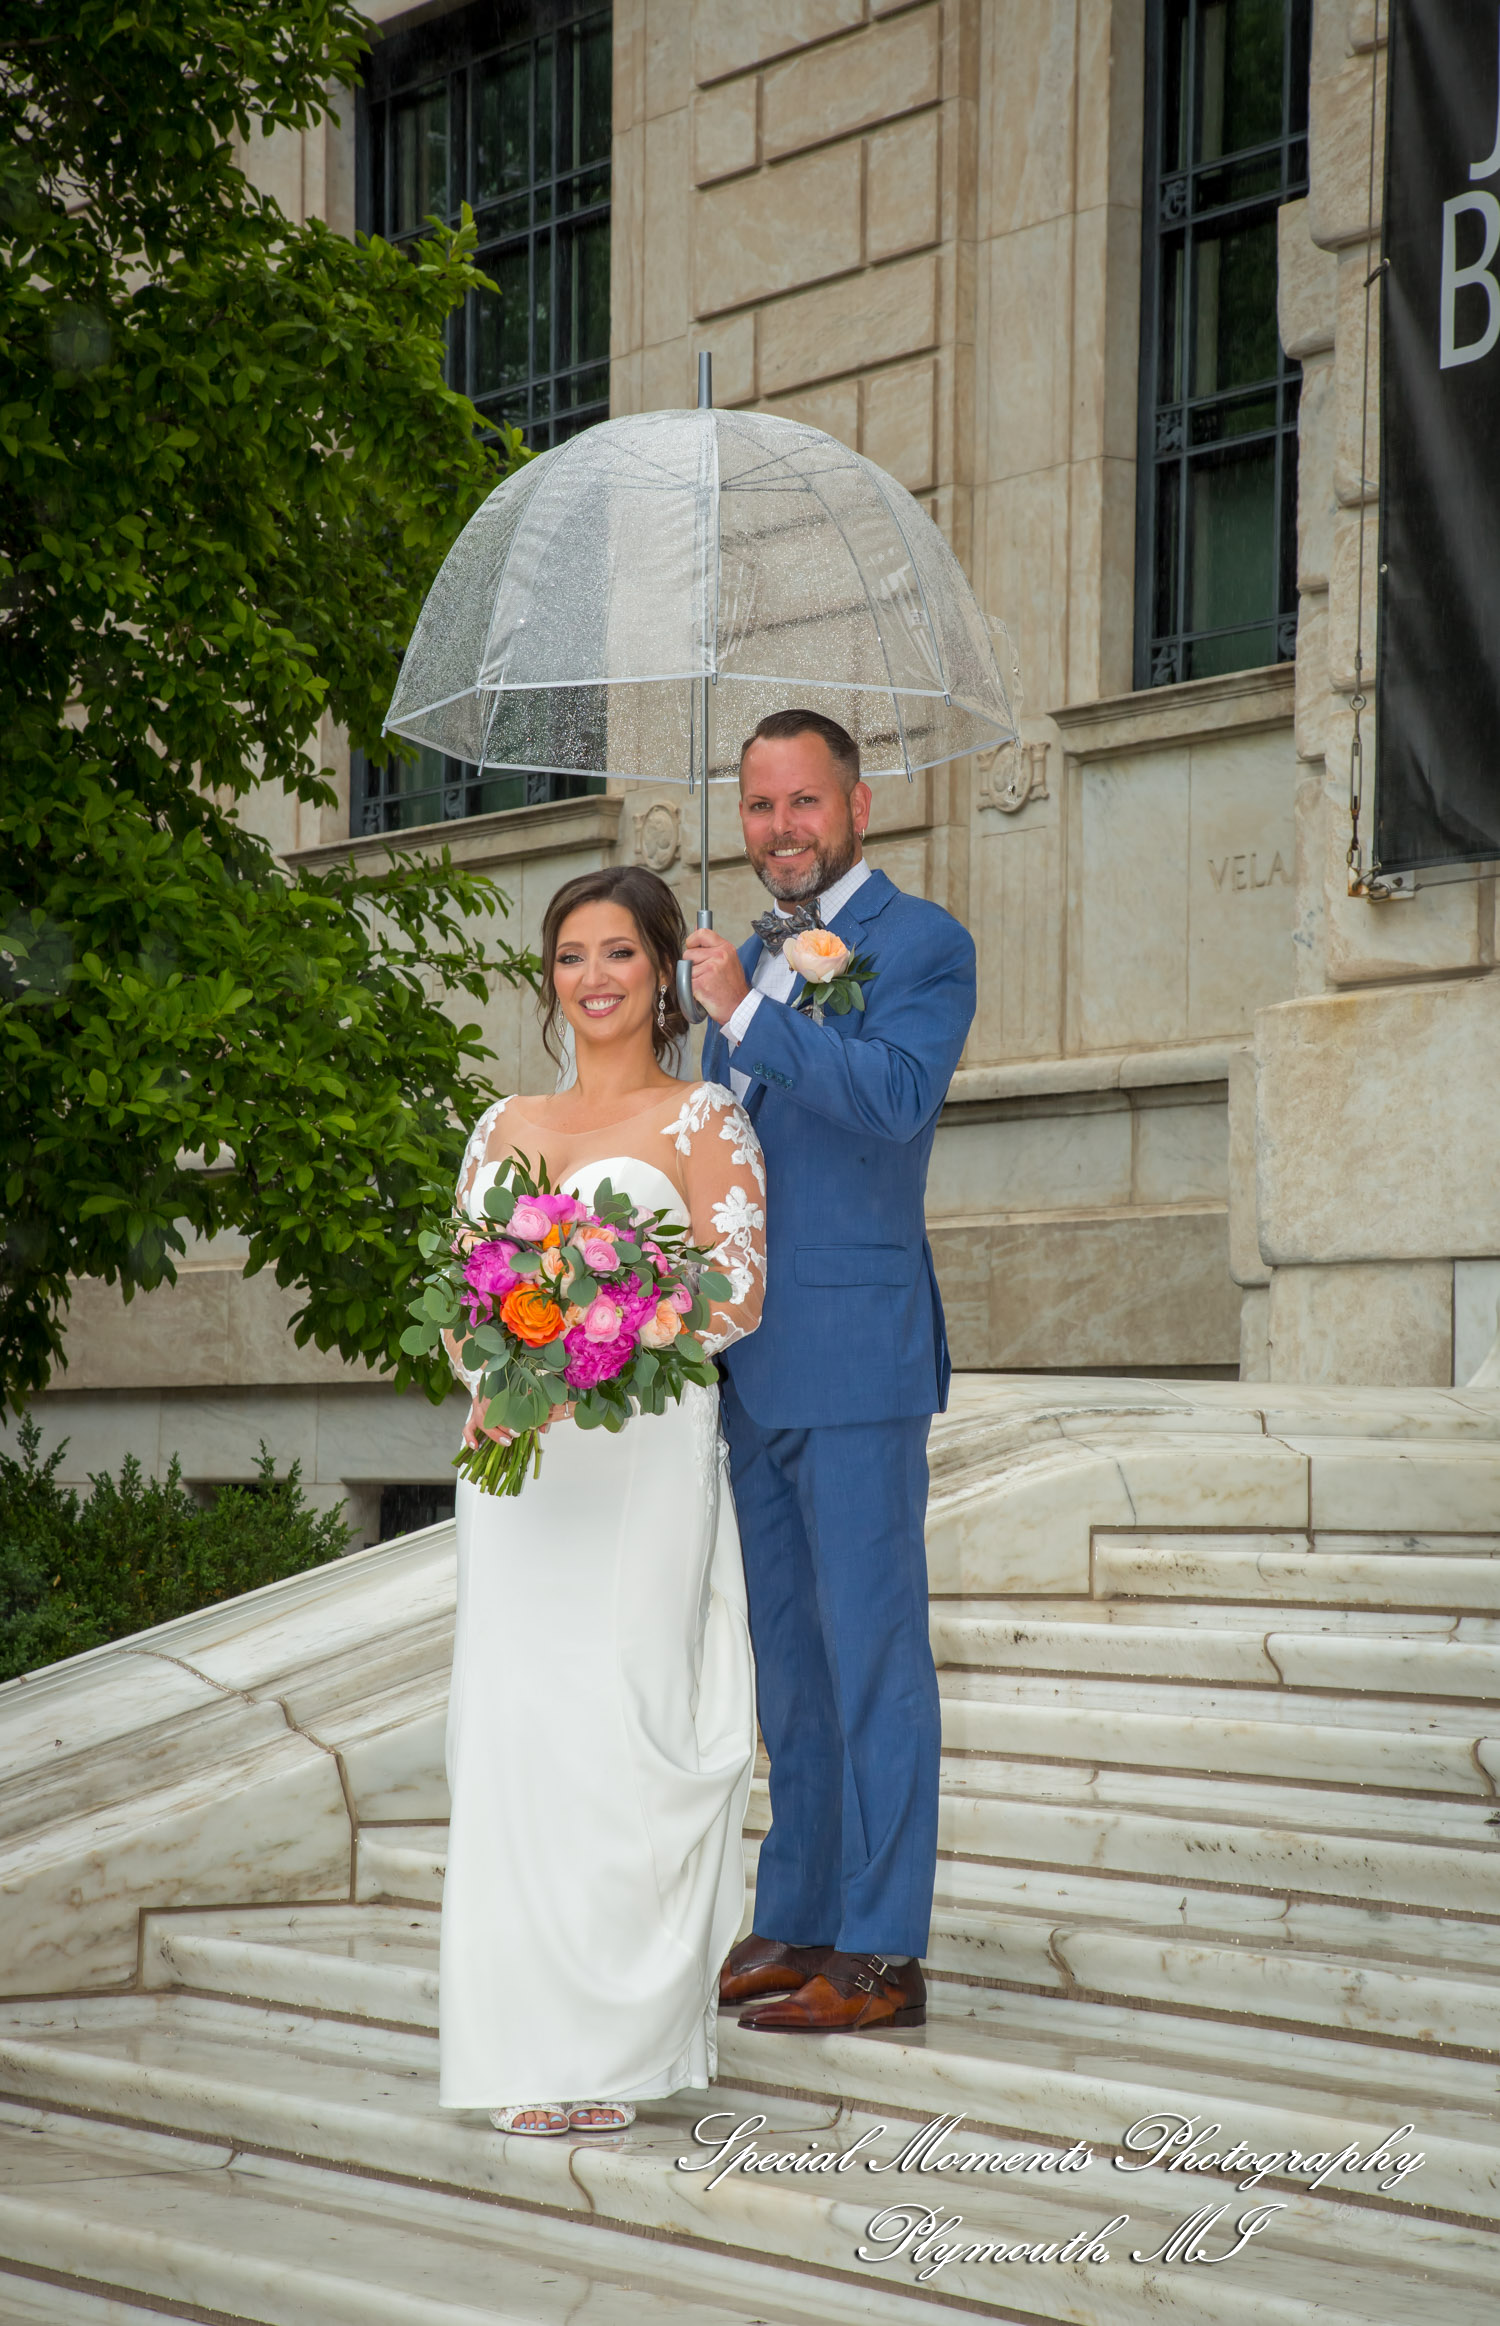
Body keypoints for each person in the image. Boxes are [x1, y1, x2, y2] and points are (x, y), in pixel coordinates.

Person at [439, 865, 766, 2136]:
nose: (594, 977)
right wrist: (499, 1377)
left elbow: (737, 1295)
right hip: (521, 1471)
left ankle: (616, 2048)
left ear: (664, 970)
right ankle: (522, 2043)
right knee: (516, 1732)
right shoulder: (502, 1123)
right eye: (571, 955)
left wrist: (594, 1354)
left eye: (619, 952)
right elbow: (464, 1300)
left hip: (639, 1456)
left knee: (622, 1722)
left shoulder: (705, 1121)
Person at [687, 708, 976, 2034]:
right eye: (760, 805)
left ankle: (881, 1953)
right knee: (791, 1666)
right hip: (750, 1363)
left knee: (873, 1659)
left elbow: (895, 1096)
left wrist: (749, 1013)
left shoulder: (921, 943)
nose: (781, 828)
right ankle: (799, 1912)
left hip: (858, 1357)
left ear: (858, 807)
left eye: (804, 801)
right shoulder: (741, 964)